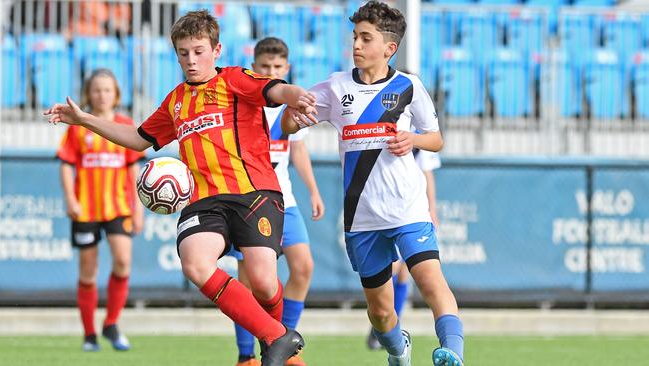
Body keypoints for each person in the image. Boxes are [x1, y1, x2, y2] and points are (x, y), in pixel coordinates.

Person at [46, 10, 318, 366]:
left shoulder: (235, 79)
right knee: (194, 262)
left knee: (265, 283)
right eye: (183, 52)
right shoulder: (175, 101)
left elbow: (277, 88)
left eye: (199, 51)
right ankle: (276, 338)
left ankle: (278, 343)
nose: (191, 60)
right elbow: (137, 138)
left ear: (216, 50)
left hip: (254, 192)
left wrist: (297, 96)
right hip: (204, 200)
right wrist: (84, 119)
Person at [281, 2, 465, 366]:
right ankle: (399, 349)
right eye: (355, 37)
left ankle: (453, 354)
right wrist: (293, 117)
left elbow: (435, 138)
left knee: (431, 281)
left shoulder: (408, 87)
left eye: (366, 38)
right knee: (380, 313)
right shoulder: (335, 87)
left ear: (389, 48)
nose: (357, 45)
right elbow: (290, 126)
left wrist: (411, 140)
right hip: (362, 218)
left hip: (407, 209)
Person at [228, 37, 324, 366]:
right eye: (265, 67)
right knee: (249, 279)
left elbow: (297, 148)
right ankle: (246, 356)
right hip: (251, 201)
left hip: (287, 200)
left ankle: (283, 343)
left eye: (277, 67)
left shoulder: (288, 107)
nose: (271, 72)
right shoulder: (245, 106)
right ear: (254, 69)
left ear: (287, 69)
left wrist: (312, 189)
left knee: (303, 267)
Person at [56, 68, 144, 352]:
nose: (101, 95)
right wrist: (70, 198)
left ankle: (112, 323)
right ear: (88, 94)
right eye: (96, 90)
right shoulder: (78, 126)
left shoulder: (124, 124)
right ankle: (90, 333)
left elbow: (133, 169)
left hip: (117, 207)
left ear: (116, 94)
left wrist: (138, 209)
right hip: (86, 210)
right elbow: (67, 165)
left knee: (123, 261)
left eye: (107, 90)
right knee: (88, 271)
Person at [367, 150, 442, 350]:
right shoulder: (392, 126)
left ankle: (393, 325)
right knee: (391, 267)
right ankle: (382, 328)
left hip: (412, 209)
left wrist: (431, 208)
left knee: (403, 274)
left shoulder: (419, 135)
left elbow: (427, 173)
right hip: (389, 207)